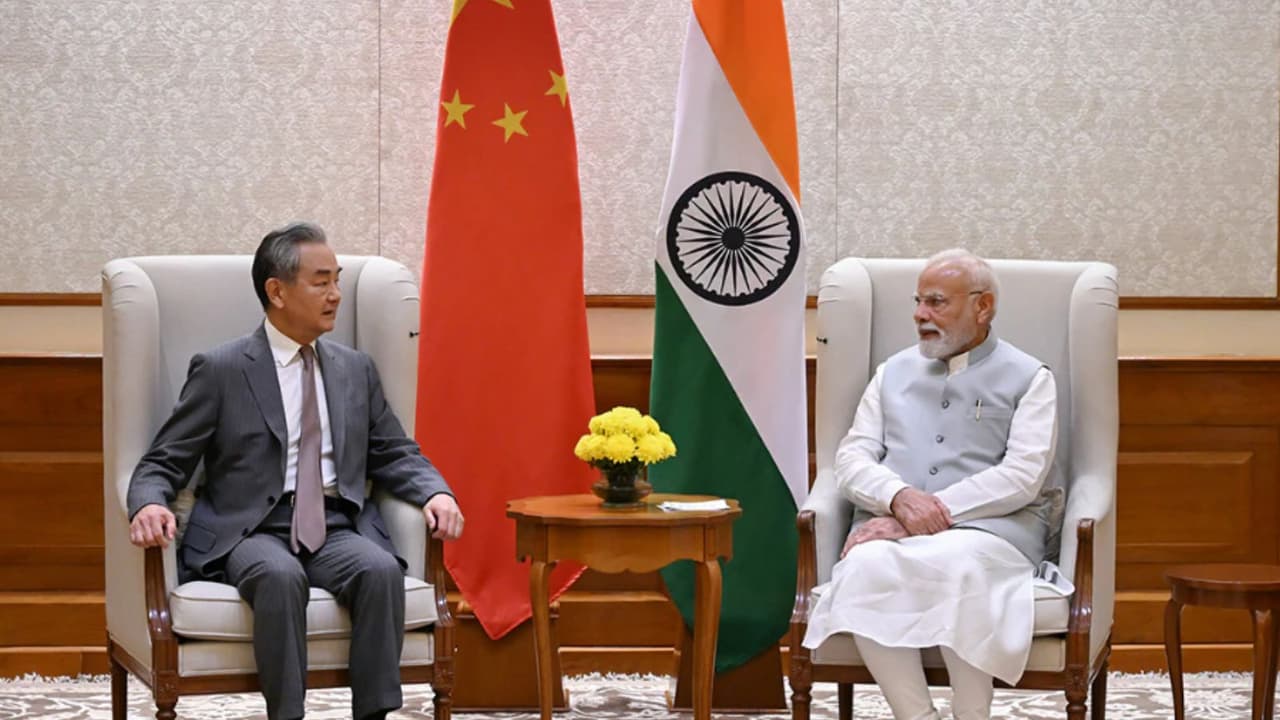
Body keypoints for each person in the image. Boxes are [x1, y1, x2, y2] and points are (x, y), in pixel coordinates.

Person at [126, 222, 464, 720]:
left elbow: (393, 450)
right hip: (250, 531)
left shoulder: (354, 369)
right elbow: (164, 460)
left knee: (378, 571)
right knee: (280, 577)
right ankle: (287, 715)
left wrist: (436, 492)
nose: (335, 295)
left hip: (334, 525)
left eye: (337, 280)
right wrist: (150, 501)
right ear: (277, 291)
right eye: (320, 281)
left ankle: (374, 714)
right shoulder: (222, 370)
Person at [802, 249, 1061, 720]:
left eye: (937, 302)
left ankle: (971, 714)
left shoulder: (1031, 377)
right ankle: (916, 715)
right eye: (919, 302)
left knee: (956, 562)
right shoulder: (892, 373)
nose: (921, 315)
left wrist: (927, 513)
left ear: (983, 307)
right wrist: (898, 500)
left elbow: (1022, 475)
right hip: (891, 525)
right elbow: (852, 455)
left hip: (991, 534)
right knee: (863, 567)